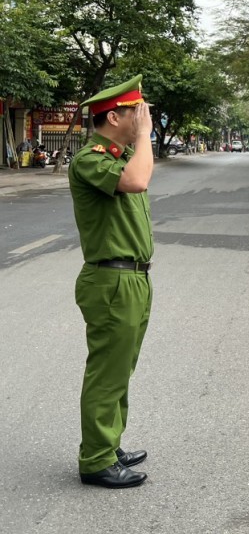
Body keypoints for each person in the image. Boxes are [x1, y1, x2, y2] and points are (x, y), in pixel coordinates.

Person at [68, 75, 154, 488]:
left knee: (121, 370)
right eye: (136, 112)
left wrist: (138, 141)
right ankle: (97, 459)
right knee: (107, 372)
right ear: (115, 115)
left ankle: (109, 442)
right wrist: (147, 136)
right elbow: (138, 181)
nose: (143, 118)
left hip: (133, 279)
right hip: (111, 280)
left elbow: (136, 176)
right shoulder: (91, 158)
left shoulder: (119, 156)